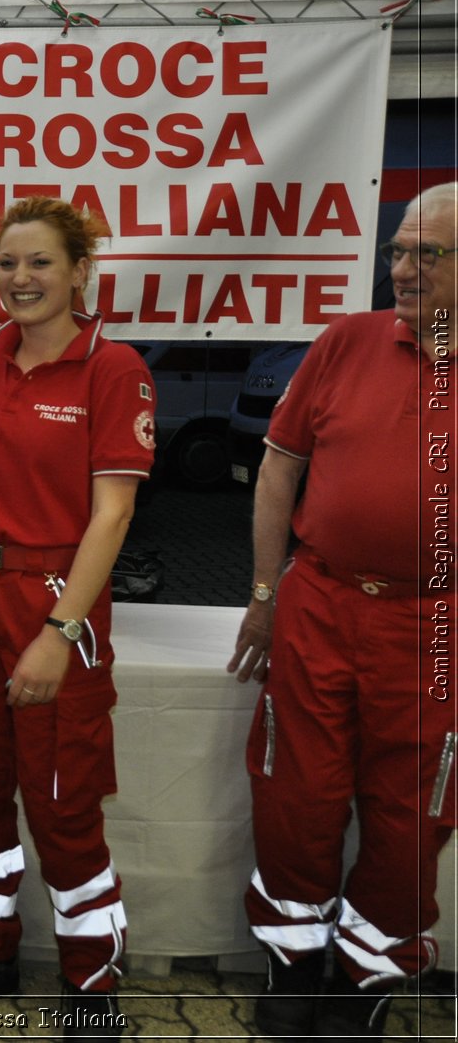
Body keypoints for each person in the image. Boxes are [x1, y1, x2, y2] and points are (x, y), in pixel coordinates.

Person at [0, 196, 152, 1039]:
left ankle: (92, 983)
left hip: (53, 602)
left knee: (62, 803)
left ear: (81, 271)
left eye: (40, 262)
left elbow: (113, 517)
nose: (20, 278)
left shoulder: (112, 368)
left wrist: (59, 631)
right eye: (8, 263)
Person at [226, 180, 457, 1042]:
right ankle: (294, 965)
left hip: (433, 626)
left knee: (410, 815)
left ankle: (366, 981)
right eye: (398, 249)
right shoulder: (345, 342)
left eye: (426, 253)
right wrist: (261, 595)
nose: (402, 268)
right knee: (296, 794)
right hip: (317, 604)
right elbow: (280, 468)